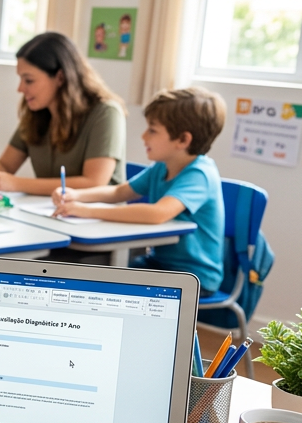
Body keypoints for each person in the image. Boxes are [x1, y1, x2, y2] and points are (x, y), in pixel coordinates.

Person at [53, 87, 226, 292]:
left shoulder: (199, 175)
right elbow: (119, 192)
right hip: (159, 265)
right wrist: (76, 195)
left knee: (110, 286)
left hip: (193, 277)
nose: (144, 136)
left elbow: (157, 214)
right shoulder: (162, 166)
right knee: (98, 274)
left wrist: (86, 211)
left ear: (182, 140)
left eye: (152, 130)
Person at [0, 32, 126, 195]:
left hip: (100, 213)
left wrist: (17, 183)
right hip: (51, 210)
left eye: (29, 80)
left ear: (60, 77)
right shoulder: (37, 113)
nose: (20, 88)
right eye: (21, 79)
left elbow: (94, 182)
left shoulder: (106, 113)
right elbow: (5, 165)